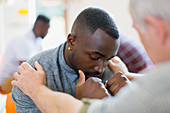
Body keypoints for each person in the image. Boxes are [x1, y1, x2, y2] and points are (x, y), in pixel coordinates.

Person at [12, 0, 170, 112]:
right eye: (95, 57)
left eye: (107, 59)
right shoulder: (32, 75)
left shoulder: (115, 72)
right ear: (71, 41)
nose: (101, 68)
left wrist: (127, 95)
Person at [0, 15, 50, 93]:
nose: (47, 32)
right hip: (6, 82)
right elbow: (26, 67)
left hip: (17, 77)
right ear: (40, 27)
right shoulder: (23, 41)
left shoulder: (37, 42)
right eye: (47, 29)